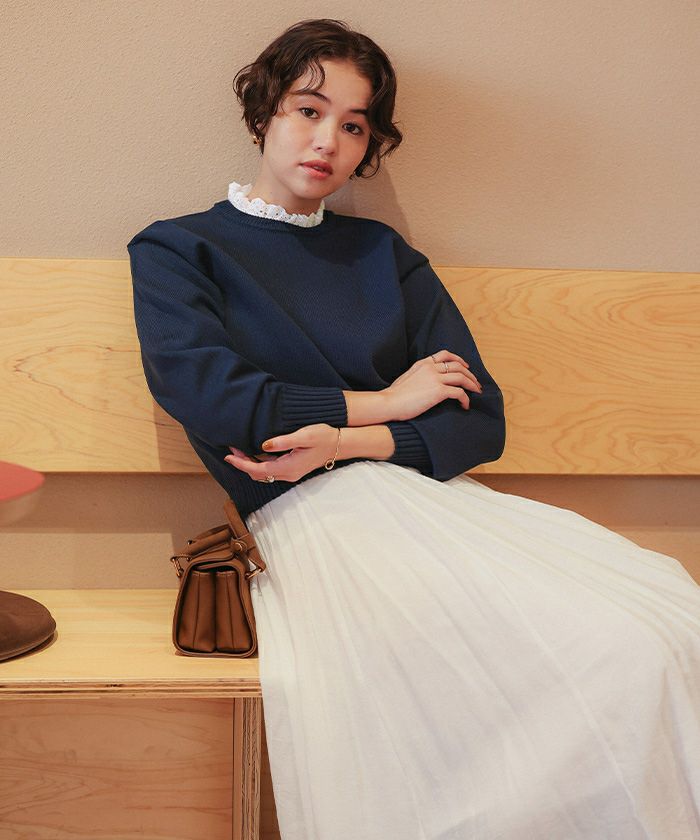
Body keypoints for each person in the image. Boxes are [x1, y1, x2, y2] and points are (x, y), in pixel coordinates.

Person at [126, 18, 700, 840]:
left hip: (437, 506)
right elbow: (222, 405)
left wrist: (345, 439)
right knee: (615, 656)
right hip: (313, 526)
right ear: (263, 113)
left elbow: (481, 420)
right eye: (308, 110)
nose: (328, 141)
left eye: (354, 126)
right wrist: (389, 403)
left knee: (668, 623)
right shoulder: (180, 249)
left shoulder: (382, 254)